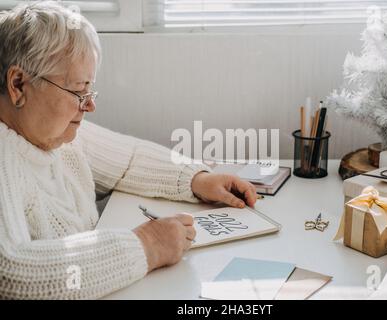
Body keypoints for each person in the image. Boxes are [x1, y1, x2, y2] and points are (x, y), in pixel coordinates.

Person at [0, 2, 257, 299]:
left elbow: (129, 159)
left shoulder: (52, 135)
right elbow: (9, 273)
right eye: (77, 91)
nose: (90, 105)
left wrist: (196, 179)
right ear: (18, 84)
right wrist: (147, 245)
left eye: (89, 90)